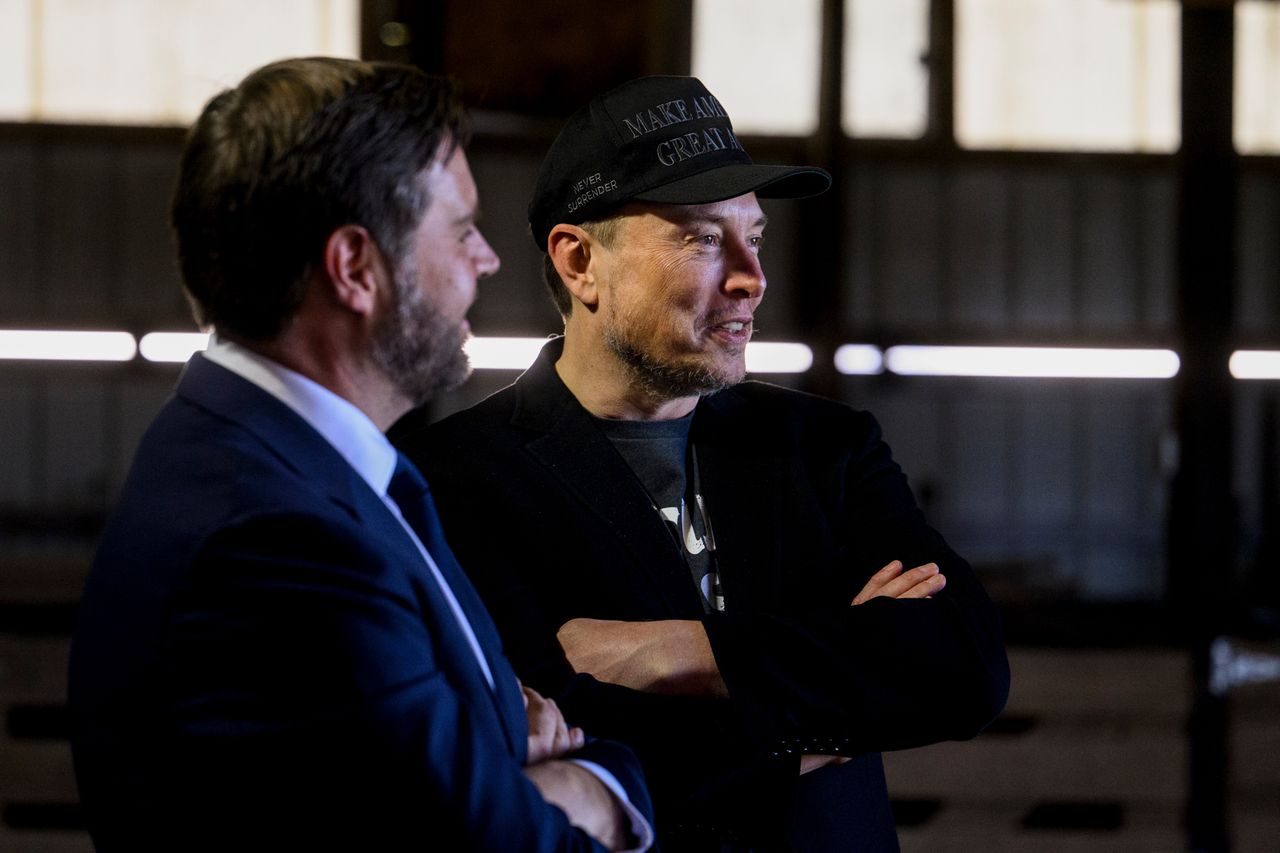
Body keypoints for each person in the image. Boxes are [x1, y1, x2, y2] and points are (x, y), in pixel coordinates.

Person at [395, 75, 1010, 851]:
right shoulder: (453, 481)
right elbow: (527, 730)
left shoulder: (824, 449)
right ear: (580, 260)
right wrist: (832, 689)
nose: (752, 276)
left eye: (755, 235)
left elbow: (964, 666)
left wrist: (675, 652)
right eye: (702, 237)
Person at [67, 58, 654, 852]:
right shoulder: (276, 534)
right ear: (354, 268)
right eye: (461, 229)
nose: (487, 259)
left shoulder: (299, 463)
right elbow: (493, 842)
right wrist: (604, 791)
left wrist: (508, 760)